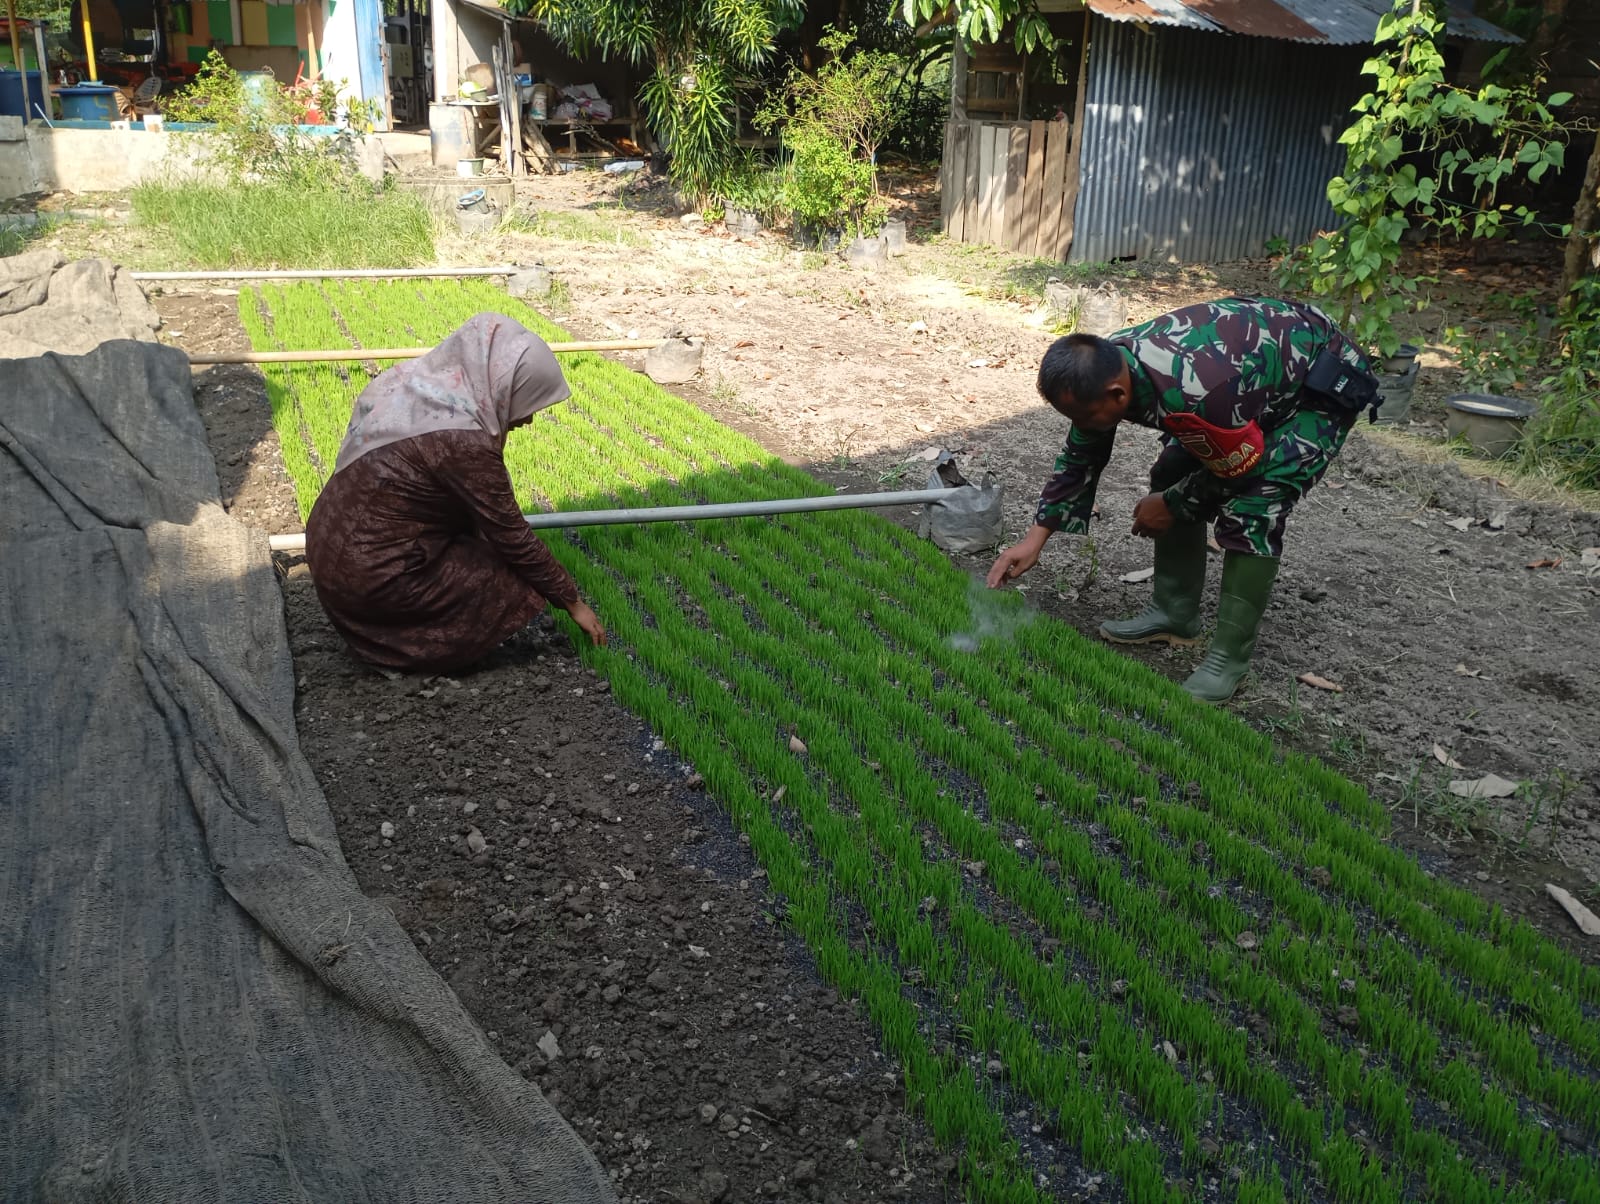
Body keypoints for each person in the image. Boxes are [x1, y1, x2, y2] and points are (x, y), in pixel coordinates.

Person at [986, 296, 1379, 703]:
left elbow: (1239, 467)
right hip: (1251, 379)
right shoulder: (1104, 370)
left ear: (1118, 394)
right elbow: (1081, 454)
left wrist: (1171, 505)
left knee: (1254, 508)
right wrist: (1035, 538)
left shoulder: (1204, 388)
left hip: (1315, 387)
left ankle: (1228, 660)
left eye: (1084, 417)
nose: (1080, 426)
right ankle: (1176, 613)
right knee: (1169, 474)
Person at [305, 313, 606, 673]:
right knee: (509, 581)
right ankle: (411, 655)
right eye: (526, 401)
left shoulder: (412, 383)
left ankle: (384, 634)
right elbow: (511, 534)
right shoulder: (462, 442)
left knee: (481, 547)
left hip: (330, 546)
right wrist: (572, 602)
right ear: (502, 386)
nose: (528, 419)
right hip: (371, 574)